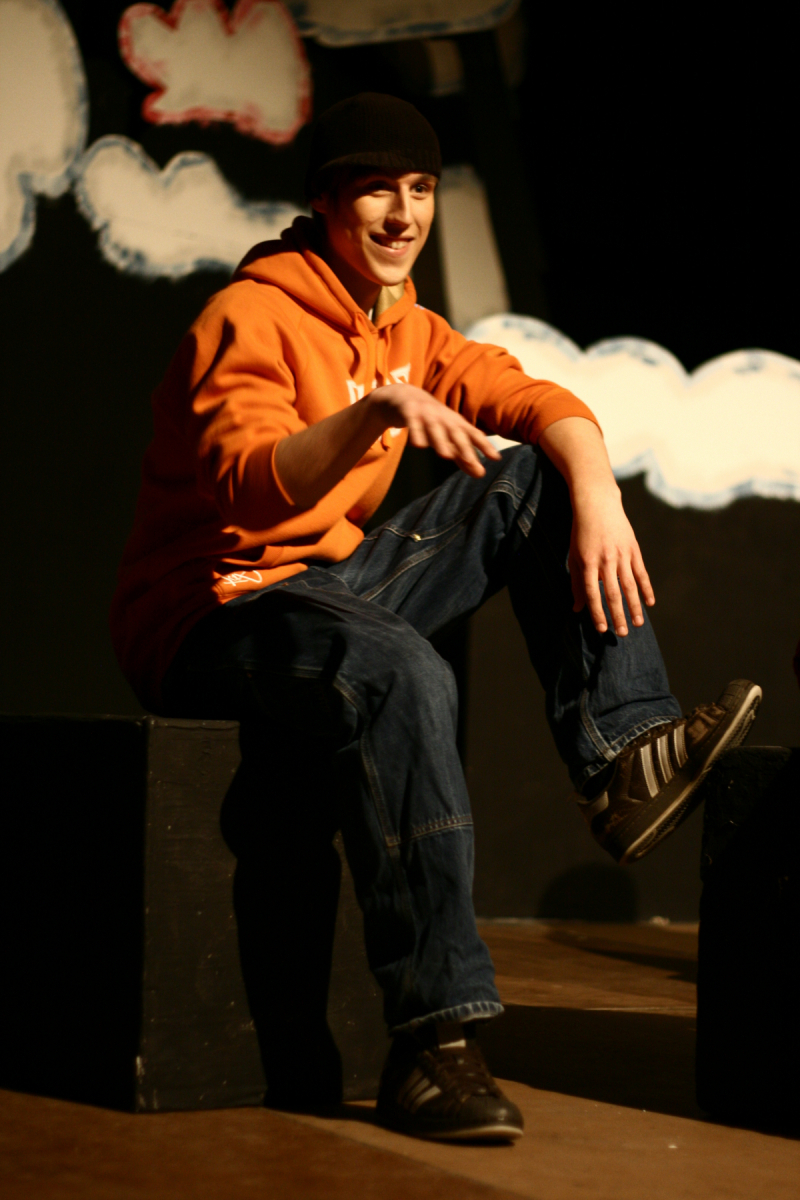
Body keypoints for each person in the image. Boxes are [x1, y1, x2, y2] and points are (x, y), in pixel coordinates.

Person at [111, 93, 761, 1142]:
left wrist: (597, 494)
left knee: (537, 477)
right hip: (213, 610)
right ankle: (433, 1044)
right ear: (327, 201)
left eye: (418, 189)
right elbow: (246, 489)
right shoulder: (250, 315)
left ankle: (622, 760)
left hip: (326, 591)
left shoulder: (406, 324)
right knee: (402, 668)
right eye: (378, 189)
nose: (404, 213)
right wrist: (371, 412)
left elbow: (537, 402)